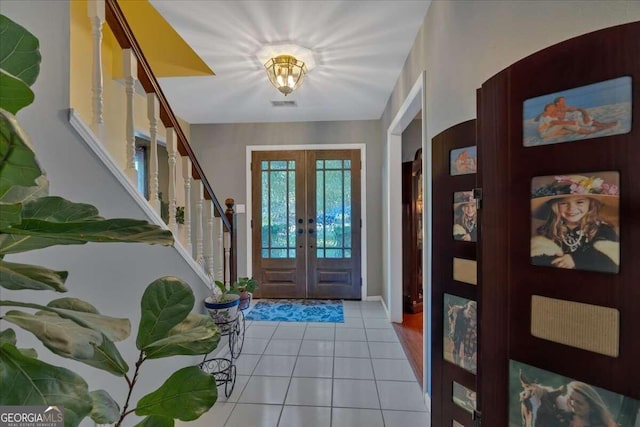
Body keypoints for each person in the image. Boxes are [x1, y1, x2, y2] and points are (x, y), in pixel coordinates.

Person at [530, 174, 619, 273]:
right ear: (555, 206)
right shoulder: (546, 231)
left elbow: (610, 261)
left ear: (591, 204)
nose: (571, 208)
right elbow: (537, 259)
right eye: (563, 203)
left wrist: (576, 260)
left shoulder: (603, 230)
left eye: (579, 202)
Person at [554, 96, 618, 132]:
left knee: (592, 120)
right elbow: (560, 119)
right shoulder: (557, 110)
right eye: (562, 101)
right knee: (588, 120)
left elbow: (573, 109)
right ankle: (606, 126)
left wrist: (575, 109)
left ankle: (606, 125)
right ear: (557, 103)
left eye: (564, 101)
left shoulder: (565, 107)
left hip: (578, 119)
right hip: (573, 121)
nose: (564, 102)